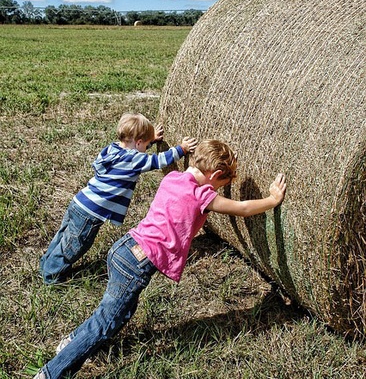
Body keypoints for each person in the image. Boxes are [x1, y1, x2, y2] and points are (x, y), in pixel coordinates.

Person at [34, 139, 286, 379]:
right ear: (216, 175)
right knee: (105, 323)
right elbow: (241, 208)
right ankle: (51, 372)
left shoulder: (173, 178)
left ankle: (73, 340)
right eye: (225, 181)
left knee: (121, 312)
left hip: (124, 248)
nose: (222, 187)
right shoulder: (202, 196)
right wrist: (272, 199)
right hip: (137, 264)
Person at [39, 112, 197, 284]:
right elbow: (158, 161)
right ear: (138, 143)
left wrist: (150, 140)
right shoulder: (134, 159)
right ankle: (51, 277)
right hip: (91, 212)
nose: (146, 148)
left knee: (63, 236)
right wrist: (182, 149)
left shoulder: (113, 148)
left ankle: (46, 264)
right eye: (145, 144)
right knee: (74, 245)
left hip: (80, 202)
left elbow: (135, 152)